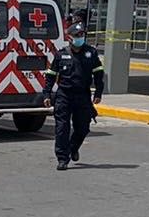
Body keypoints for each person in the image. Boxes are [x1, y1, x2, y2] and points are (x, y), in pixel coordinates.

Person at [44, 23, 104, 171]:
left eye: (82, 35)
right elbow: (51, 75)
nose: (80, 38)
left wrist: (98, 93)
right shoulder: (61, 54)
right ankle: (62, 159)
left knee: (83, 128)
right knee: (62, 128)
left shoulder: (91, 53)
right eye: (77, 36)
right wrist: (46, 93)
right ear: (69, 38)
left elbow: (98, 73)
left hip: (82, 96)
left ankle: (73, 147)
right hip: (64, 95)